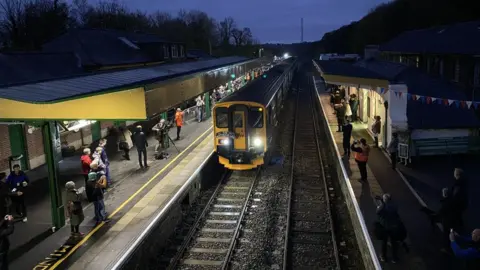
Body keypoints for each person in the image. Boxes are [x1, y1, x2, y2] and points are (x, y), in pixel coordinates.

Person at [376, 194, 403, 263]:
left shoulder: (382, 207)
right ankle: (394, 258)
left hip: (385, 227)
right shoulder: (394, 206)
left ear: (384, 200)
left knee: (384, 242)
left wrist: (380, 205)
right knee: (394, 242)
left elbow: (378, 212)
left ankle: (383, 257)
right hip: (393, 226)